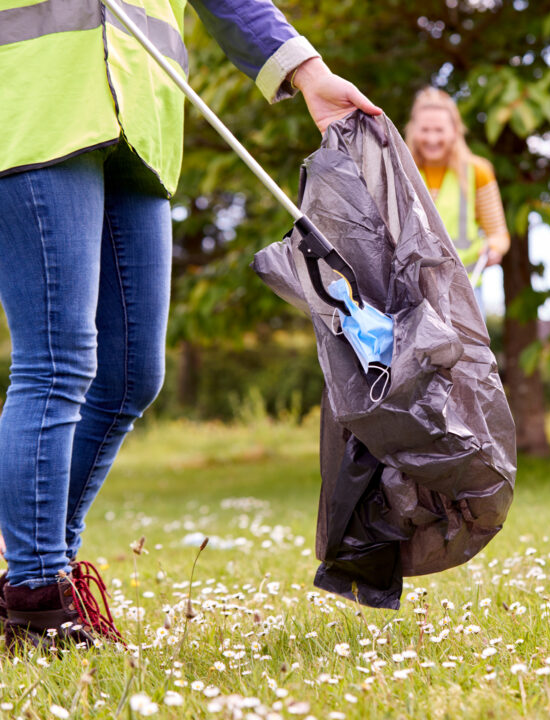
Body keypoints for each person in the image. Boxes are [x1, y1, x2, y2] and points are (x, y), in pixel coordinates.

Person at [0, 0, 379, 649]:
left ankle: (34, 582)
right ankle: (37, 595)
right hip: (36, 105)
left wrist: (306, 71)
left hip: (143, 120)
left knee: (130, 375)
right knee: (59, 361)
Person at [404, 88, 511, 302]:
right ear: (413, 130)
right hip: (412, 291)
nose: (432, 138)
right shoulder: (401, 171)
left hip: (464, 289)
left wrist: (495, 248)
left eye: (439, 130)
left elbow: (498, 233)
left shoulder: (478, 172)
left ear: (454, 130)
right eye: (425, 130)